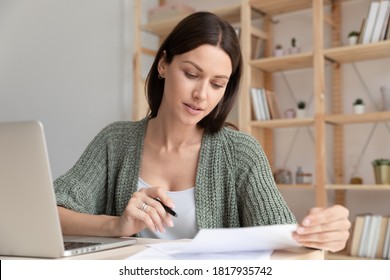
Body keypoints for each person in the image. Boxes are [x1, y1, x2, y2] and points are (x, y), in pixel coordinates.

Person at [54, 11, 350, 253]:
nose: (201, 95)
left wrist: (322, 234)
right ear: (163, 65)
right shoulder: (115, 141)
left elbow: (283, 237)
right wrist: (117, 225)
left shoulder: (240, 152)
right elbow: (49, 212)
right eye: (192, 74)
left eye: (217, 84)